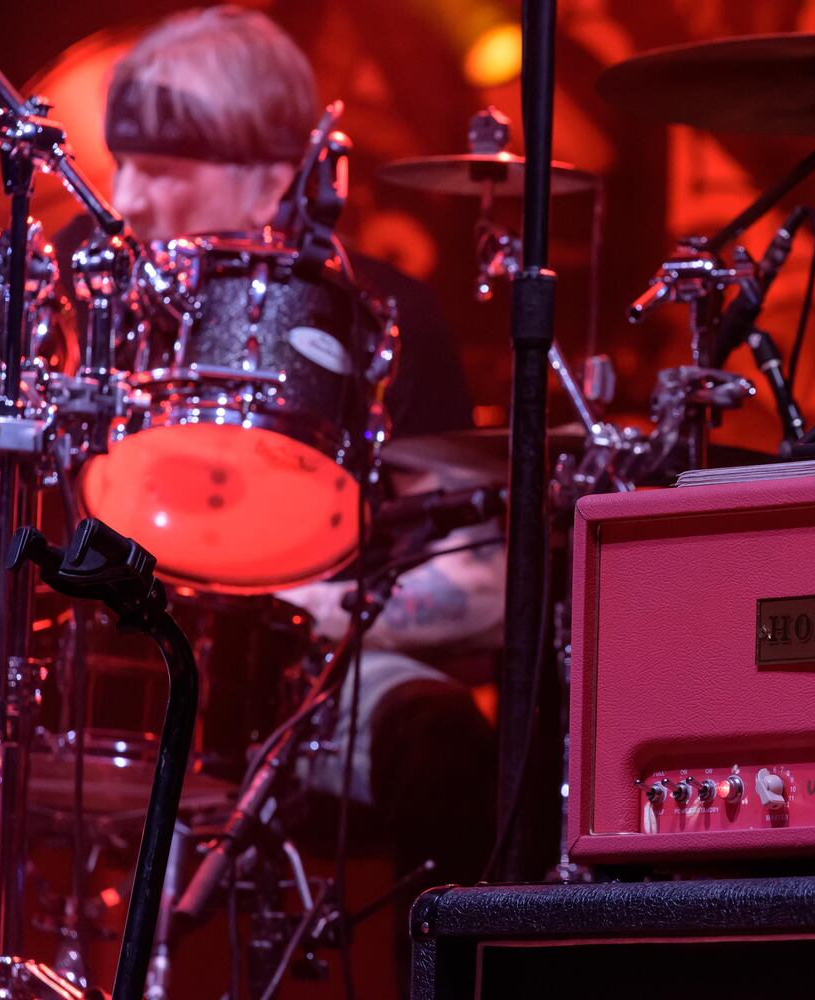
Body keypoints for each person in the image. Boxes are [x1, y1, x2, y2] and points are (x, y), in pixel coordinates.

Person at [56, 4, 503, 989]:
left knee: (447, 744)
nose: (126, 199)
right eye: (120, 164)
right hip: (95, 668)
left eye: (161, 170)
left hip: (310, 677)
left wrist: (305, 603)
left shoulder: (384, 315)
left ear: (270, 174)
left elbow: (484, 583)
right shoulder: (85, 290)